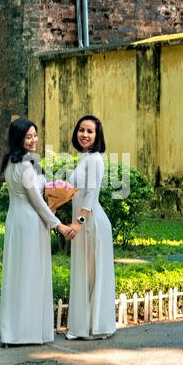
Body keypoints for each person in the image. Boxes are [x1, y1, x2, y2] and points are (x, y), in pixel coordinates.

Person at [0, 118, 72, 346]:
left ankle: (13, 330)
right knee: (32, 274)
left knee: (16, 274)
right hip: (31, 223)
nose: (33, 140)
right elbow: (37, 203)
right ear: (18, 139)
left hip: (14, 221)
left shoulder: (11, 163)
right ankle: (28, 332)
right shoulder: (25, 165)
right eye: (28, 136)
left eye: (35, 135)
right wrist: (58, 224)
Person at [66, 115, 116, 340]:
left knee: (92, 273)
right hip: (84, 223)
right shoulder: (84, 158)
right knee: (85, 273)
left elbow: (91, 194)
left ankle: (95, 327)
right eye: (81, 130)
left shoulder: (95, 159)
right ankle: (84, 325)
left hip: (92, 223)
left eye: (90, 131)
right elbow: (77, 192)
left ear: (97, 136)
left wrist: (78, 222)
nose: (84, 134)